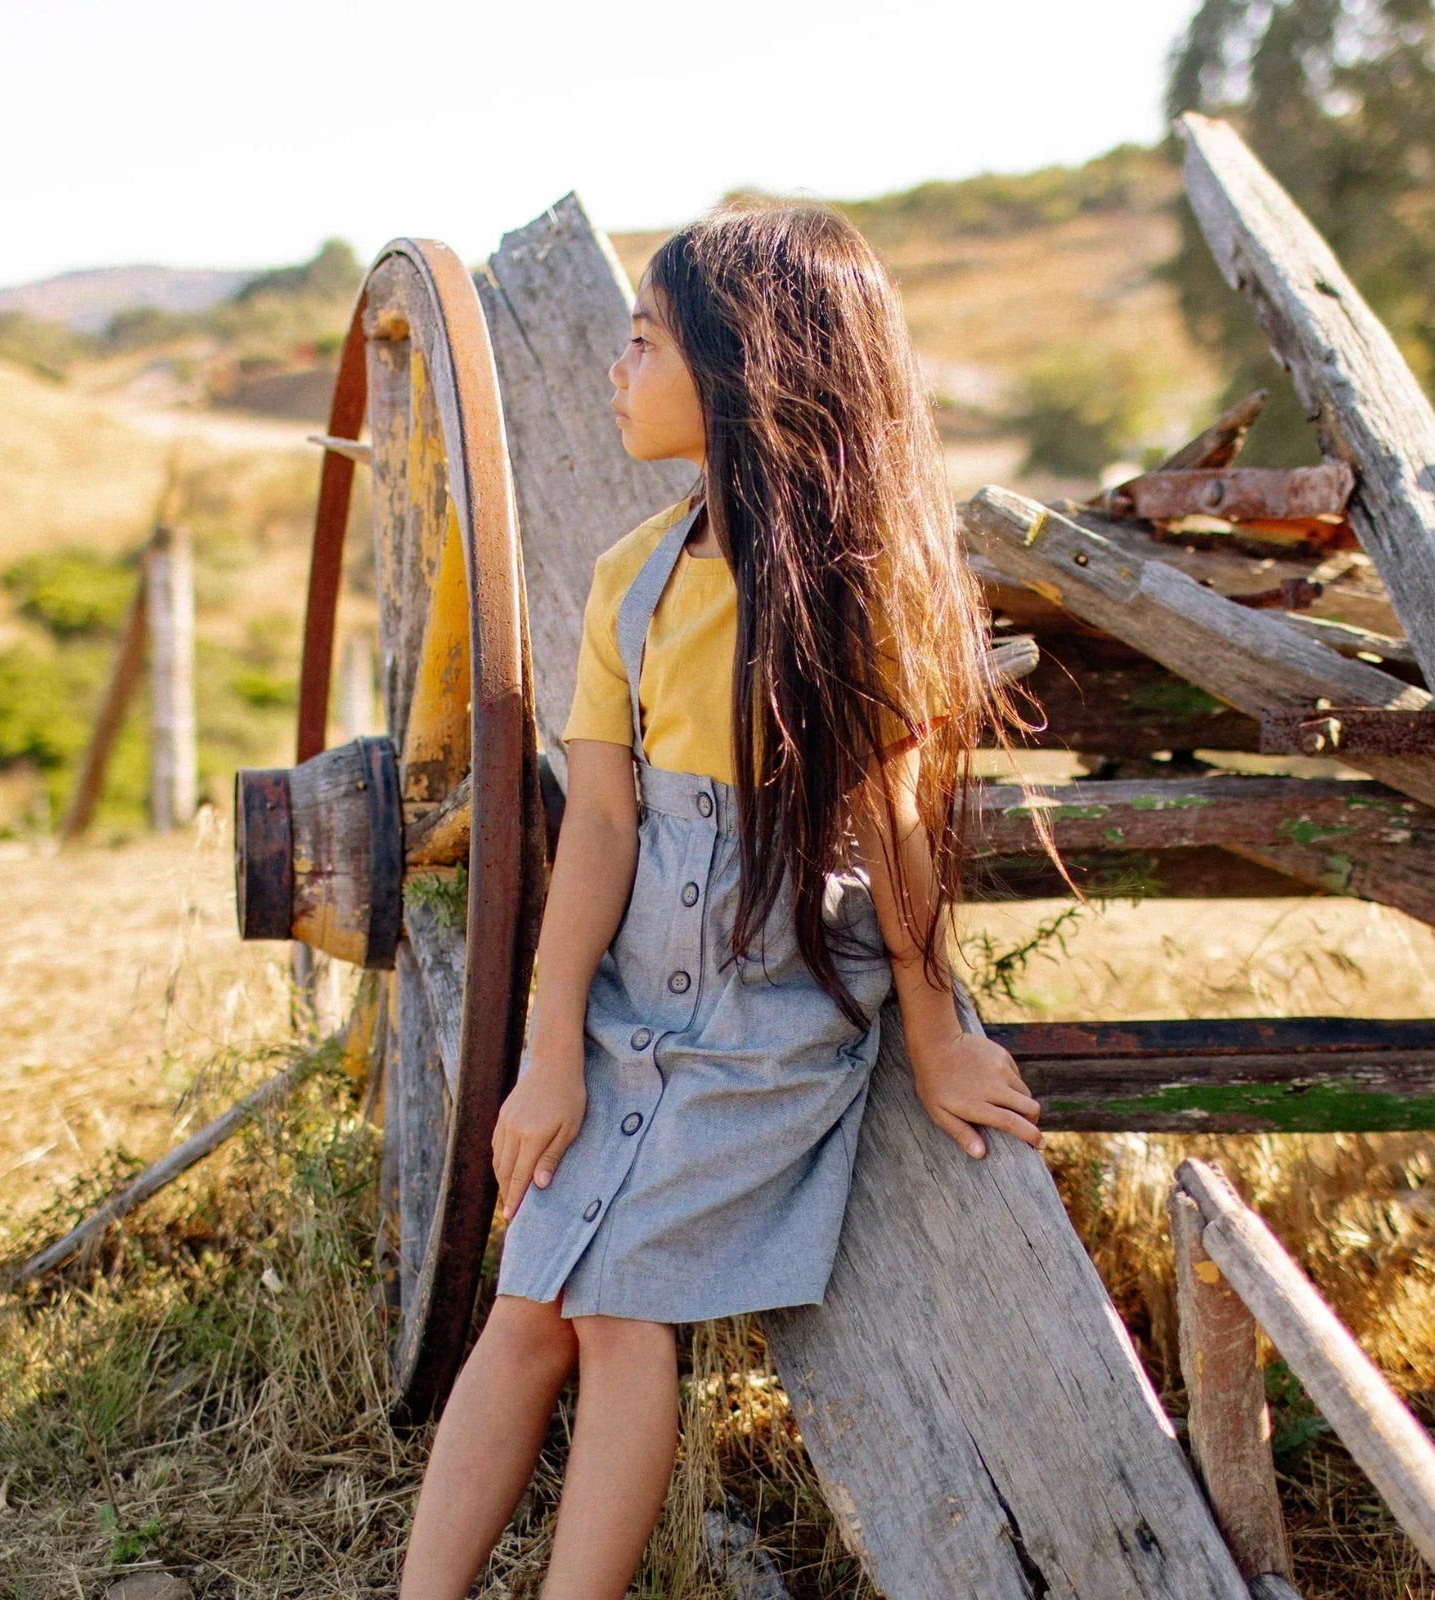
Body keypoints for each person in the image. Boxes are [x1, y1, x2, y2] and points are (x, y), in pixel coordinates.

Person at [398, 202, 1044, 1600]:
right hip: (632, 995)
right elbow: (599, 827)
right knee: (527, 1304)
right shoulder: (630, 581)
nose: (617, 370)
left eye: (645, 345)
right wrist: (550, 1051)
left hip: (769, 1012)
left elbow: (896, 827)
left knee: (620, 1312)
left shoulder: (853, 594)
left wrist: (937, 1033)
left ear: (744, 373)